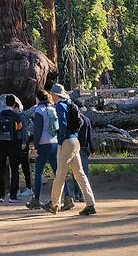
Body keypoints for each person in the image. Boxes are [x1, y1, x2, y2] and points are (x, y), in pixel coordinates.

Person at [45, 83, 97, 216]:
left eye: (52, 93)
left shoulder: (60, 106)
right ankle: (90, 203)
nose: (51, 95)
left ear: (55, 94)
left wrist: (61, 142)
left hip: (67, 142)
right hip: (75, 141)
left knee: (60, 174)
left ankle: (54, 203)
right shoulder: (70, 104)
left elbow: (62, 125)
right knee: (80, 174)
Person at [26, 89, 59, 210]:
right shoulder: (52, 109)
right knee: (58, 172)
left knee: (39, 172)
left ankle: (36, 199)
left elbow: (38, 130)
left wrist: (35, 145)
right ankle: (66, 196)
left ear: (38, 98)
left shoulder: (39, 111)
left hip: (43, 143)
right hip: (54, 142)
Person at [0, 94, 22, 203]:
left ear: (5, 103)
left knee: (1, 170)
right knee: (14, 169)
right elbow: (19, 127)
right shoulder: (15, 114)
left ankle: (1, 195)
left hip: (1, 144)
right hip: (13, 144)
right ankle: (13, 195)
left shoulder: (0, 114)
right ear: (14, 103)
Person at [72, 111, 94, 202]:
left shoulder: (73, 120)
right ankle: (83, 194)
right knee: (84, 172)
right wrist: (92, 149)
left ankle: (76, 193)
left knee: (75, 172)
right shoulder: (87, 120)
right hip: (84, 148)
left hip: (75, 147)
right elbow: (89, 136)